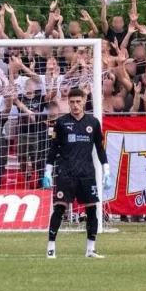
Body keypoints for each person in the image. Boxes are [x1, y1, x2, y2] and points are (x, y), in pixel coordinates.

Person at [43, 88, 111, 259]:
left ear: (84, 100)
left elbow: (100, 149)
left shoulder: (93, 123)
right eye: (72, 102)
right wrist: (48, 172)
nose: (75, 105)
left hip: (87, 173)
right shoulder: (61, 123)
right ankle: (51, 247)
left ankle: (90, 249)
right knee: (59, 208)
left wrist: (106, 171)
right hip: (66, 173)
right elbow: (53, 150)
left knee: (92, 211)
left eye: (78, 101)